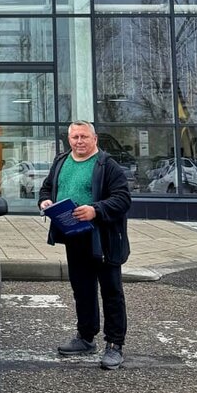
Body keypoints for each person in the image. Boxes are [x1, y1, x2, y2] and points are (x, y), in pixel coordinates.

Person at [39, 121, 132, 370]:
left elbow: (123, 199)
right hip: (74, 236)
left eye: (84, 137)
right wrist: (45, 201)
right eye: (75, 137)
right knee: (82, 290)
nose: (79, 141)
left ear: (94, 138)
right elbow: (47, 188)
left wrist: (95, 210)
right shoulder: (61, 161)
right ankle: (86, 337)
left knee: (111, 292)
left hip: (103, 238)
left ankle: (114, 344)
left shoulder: (107, 165)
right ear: (69, 139)